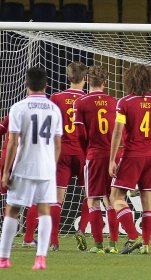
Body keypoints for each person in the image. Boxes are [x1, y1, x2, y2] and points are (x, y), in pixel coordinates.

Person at [0, 67, 62, 270]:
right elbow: (57, 143)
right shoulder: (54, 109)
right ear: (46, 85)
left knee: (12, 210)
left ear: (26, 84)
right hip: (46, 168)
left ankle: (4, 258)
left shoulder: (18, 107)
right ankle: (41, 258)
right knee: (44, 210)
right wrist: (51, 167)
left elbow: (13, 142)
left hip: (23, 166)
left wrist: (6, 171)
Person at [109, 64, 151, 255]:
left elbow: (118, 131)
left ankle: (133, 236)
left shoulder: (124, 103)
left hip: (132, 155)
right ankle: (146, 244)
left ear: (130, 80)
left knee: (115, 197)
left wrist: (112, 159)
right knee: (147, 201)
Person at [73, 65, 119, 254]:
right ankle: (114, 245)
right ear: (105, 82)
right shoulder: (114, 102)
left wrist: (87, 152)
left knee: (93, 201)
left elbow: (80, 134)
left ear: (88, 81)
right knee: (112, 201)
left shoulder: (81, 102)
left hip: (93, 155)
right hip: (113, 157)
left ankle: (99, 246)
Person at [48, 62, 89, 251]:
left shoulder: (56, 97)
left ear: (68, 77)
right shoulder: (89, 99)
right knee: (90, 195)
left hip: (61, 151)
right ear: (85, 78)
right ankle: (81, 230)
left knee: (57, 198)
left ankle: (54, 240)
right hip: (83, 153)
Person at [0, 115, 39, 248]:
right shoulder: (39, 115)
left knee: (10, 200)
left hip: (6, 158)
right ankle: (28, 239)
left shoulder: (13, 113)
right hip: (25, 159)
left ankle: (7, 240)